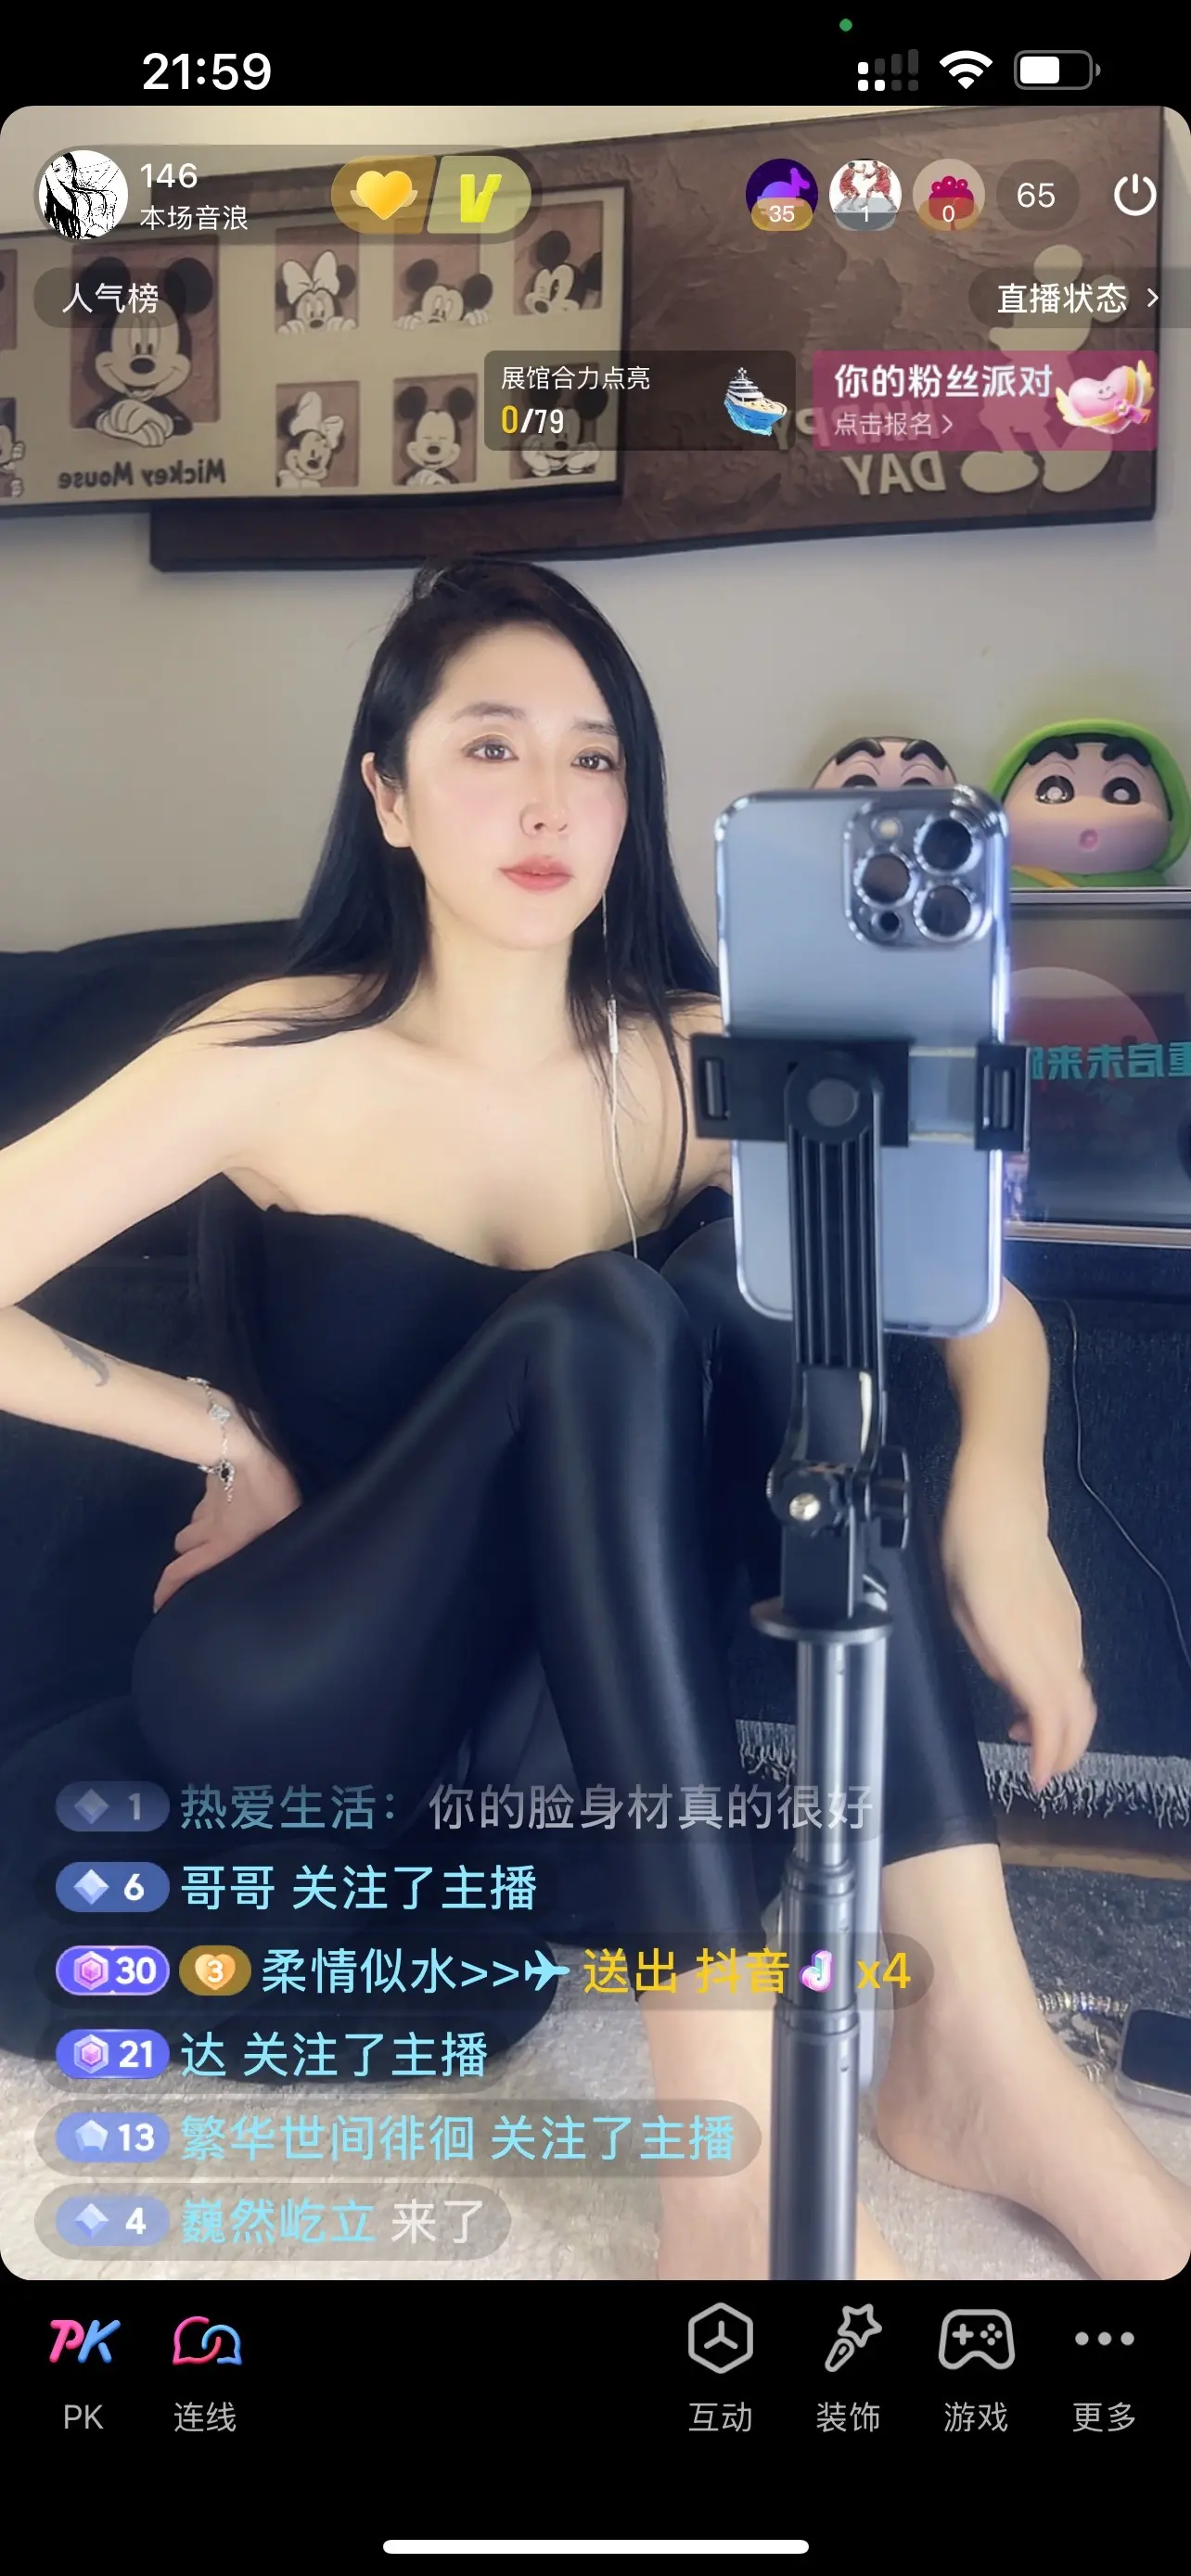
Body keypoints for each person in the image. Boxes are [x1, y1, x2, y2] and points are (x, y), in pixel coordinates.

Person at [1, 556, 1187, 2285]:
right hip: (300, 1690)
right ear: (388, 793)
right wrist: (212, 1430)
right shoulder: (281, 1057)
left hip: (544, 1740)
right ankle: (727, 2139)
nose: (551, 802)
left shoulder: (696, 1057)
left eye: (596, 756)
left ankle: (977, 2044)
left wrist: (1002, 1507)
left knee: (776, 1284)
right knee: (605, 1318)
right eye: (490, 748)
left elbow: (969, 1295)